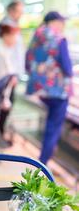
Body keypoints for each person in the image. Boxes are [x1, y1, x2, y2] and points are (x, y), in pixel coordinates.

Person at [26, 11, 73, 165]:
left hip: (39, 89)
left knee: (48, 124)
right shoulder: (59, 39)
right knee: (53, 126)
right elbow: (67, 67)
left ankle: (44, 156)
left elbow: (28, 61)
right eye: (61, 22)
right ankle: (43, 161)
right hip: (58, 91)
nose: (63, 26)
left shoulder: (36, 36)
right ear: (55, 21)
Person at [0, 0, 26, 77]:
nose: (21, 15)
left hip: (12, 70)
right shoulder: (5, 26)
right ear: (11, 11)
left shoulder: (13, 24)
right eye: (19, 12)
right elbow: (3, 51)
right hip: (8, 72)